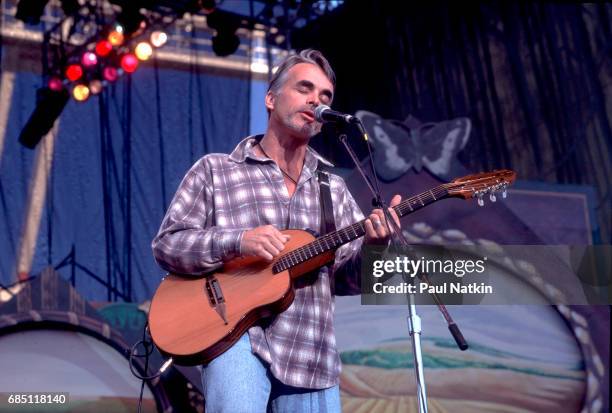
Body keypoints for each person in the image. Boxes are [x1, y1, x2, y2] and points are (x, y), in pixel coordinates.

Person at [152, 49, 401, 413]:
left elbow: (349, 281)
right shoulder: (216, 170)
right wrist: (237, 241)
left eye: (325, 96)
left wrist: (377, 248)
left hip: (311, 356)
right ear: (271, 98)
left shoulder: (332, 186)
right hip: (236, 339)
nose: (316, 100)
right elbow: (168, 245)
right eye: (304, 89)